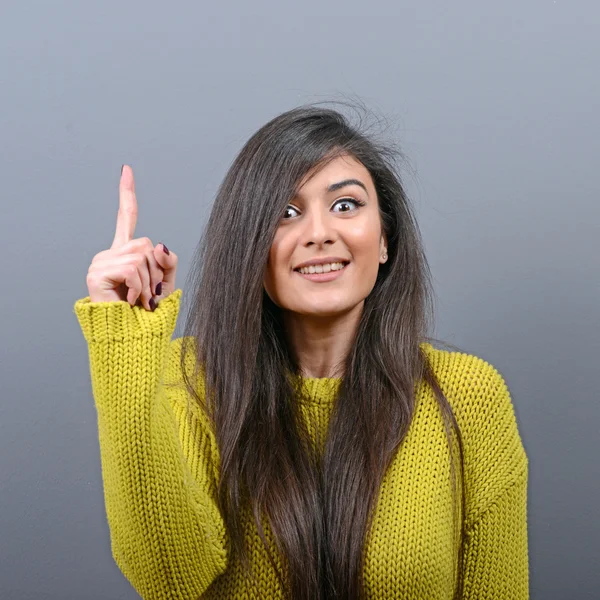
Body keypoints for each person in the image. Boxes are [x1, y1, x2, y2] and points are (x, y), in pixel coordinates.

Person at [73, 102, 529, 599]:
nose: (319, 233)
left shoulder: (468, 396)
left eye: (346, 205)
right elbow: (168, 577)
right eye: (285, 213)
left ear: (384, 241)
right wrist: (124, 336)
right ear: (250, 246)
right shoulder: (187, 382)